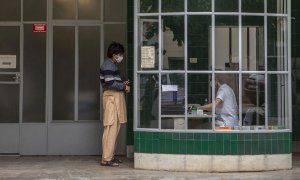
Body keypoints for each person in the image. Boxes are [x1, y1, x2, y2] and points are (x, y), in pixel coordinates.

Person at [99, 42, 130, 167]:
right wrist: (123, 86)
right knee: (110, 127)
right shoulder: (108, 65)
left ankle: (110, 156)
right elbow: (110, 83)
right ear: (114, 54)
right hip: (111, 98)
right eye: (120, 54)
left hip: (115, 97)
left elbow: (113, 81)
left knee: (115, 128)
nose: (121, 56)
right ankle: (106, 158)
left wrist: (123, 83)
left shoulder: (112, 65)